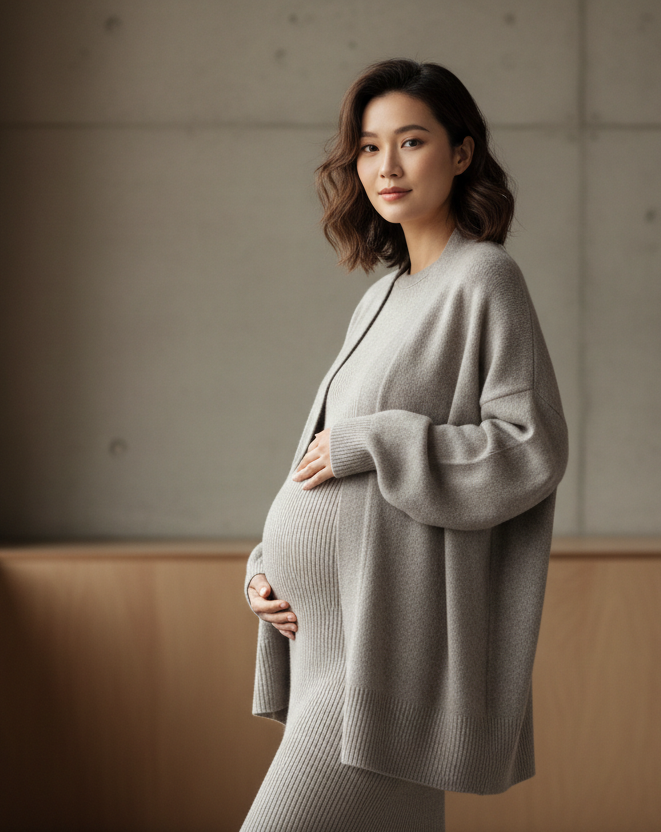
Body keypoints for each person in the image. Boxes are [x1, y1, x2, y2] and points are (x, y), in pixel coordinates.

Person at [240, 58, 568, 832]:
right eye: (368, 146)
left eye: (411, 142)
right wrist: (265, 563)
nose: (386, 167)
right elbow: (316, 457)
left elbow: (529, 447)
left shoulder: (485, 280)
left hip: (381, 659)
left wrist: (378, 439)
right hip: (326, 643)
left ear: (460, 153)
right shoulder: (379, 296)